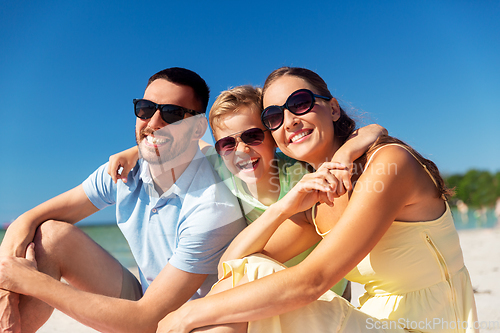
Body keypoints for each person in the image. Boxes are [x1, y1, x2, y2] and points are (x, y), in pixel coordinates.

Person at [155, 67, 478, 333]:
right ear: (274, 134)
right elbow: (234, 265)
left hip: (428, 325)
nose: (290, 120)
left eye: (300, 103)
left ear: (333, 108)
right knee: (248, 274)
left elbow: (313, 281)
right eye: (274, 117)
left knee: (217, 315)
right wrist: (286, 205)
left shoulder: (388, 164)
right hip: (374, 323)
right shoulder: (319, 196)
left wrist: (188, 314)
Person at [0, 67, 246, 333]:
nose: (153, 123)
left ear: (197, 127)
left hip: (192, 321)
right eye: (145, 108)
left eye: (172, 114)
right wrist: (6, 297)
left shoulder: (213, 207)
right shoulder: (124, 171)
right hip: (143, 298)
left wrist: (32, 282)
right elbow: (27, 220)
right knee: (50, 235)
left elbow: (146, 319)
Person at [108, 85, 387, 298]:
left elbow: (373, 129)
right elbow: (186, 146)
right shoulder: (222, 166)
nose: (241, 150)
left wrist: (346, 153)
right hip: (270, 288)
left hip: (328, 293)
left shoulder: (303, 172)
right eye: (227, 143)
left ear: (273, 137)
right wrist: (134, 151)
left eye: (253, 136)